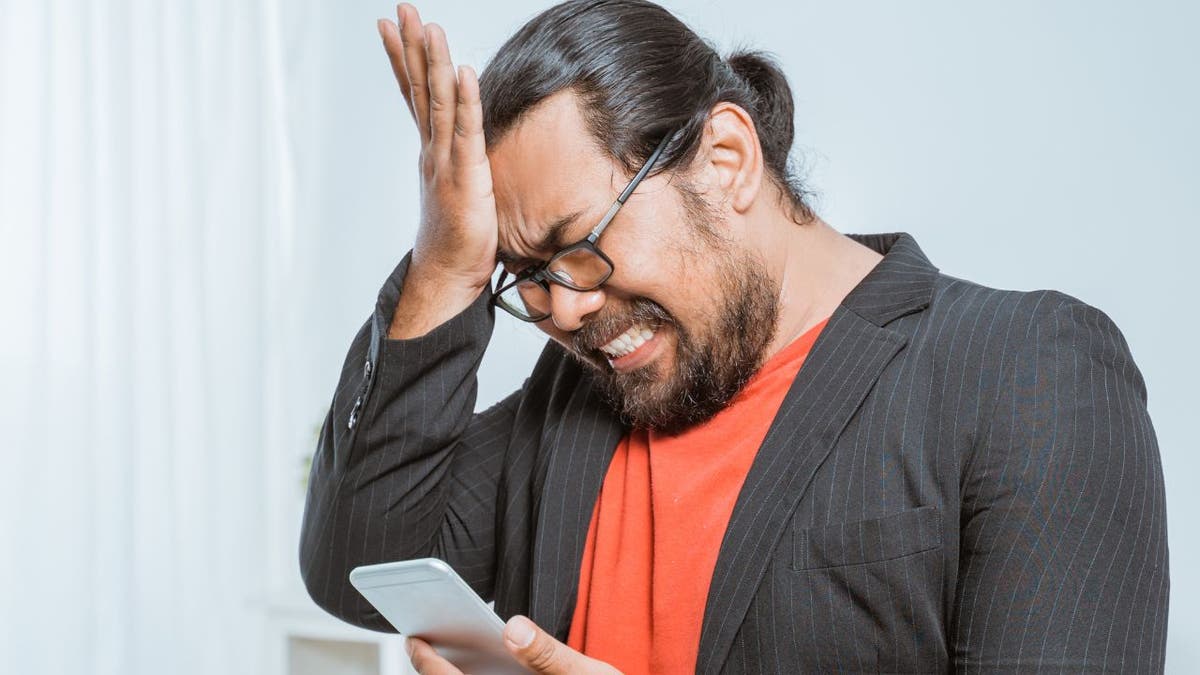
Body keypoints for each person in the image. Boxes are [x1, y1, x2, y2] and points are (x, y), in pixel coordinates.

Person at [299, 1, 1170, 672]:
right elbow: (360, 566)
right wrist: (448, 267)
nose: (561, 310)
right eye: (525, 273)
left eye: (581, 247)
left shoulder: (1028, 373)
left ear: (726, 158)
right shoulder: (573, 400)